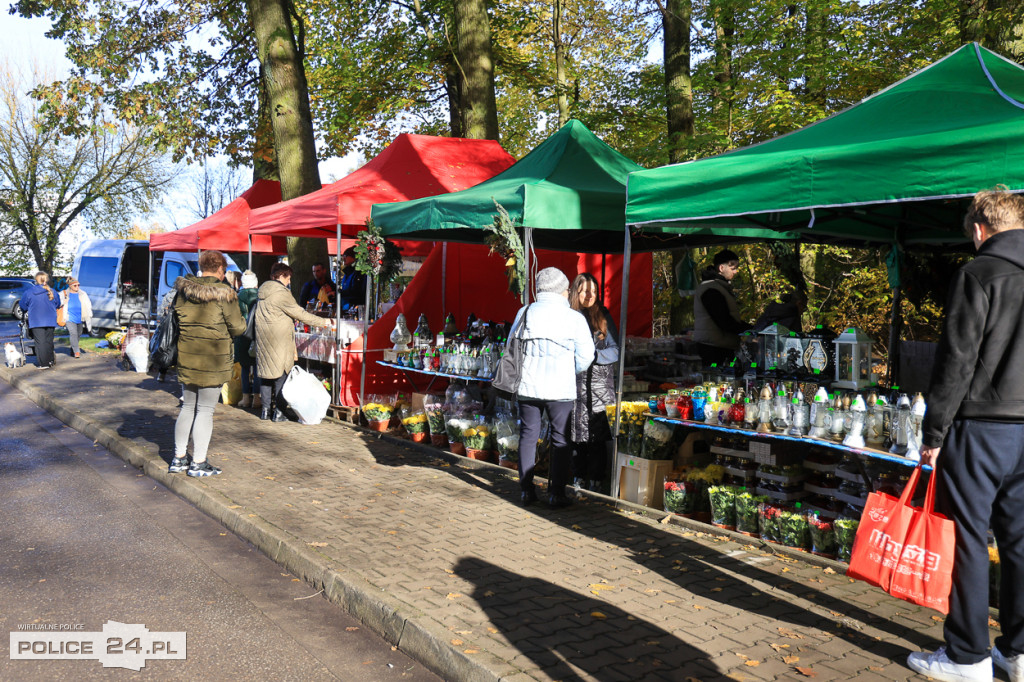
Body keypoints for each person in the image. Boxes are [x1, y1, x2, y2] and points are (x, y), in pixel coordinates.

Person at [908, 189, 1024, 682]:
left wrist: (933, 430)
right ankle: (1019, 652)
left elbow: (955, 360)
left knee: (969, 538)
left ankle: (967, 657)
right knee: (1021, 540)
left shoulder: (978, 273)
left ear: (979, 229)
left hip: (981, 426)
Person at [511, 267, 595, 508]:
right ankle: (556, 494)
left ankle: (526, 491)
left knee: (528, 436)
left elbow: (511, 347)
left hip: (528, 386)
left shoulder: (525, 312)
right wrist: (571, 369)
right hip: (561, 389)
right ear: (563, 290)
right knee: (561, 439)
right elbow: (587, 356)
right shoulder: (574, 318)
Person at [169, 250, 246, 477]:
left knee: (187, 407)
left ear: (201, 267)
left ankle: (179, 458)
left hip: (187, 356)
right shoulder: (225, 294)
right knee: (204, 410)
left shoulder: (183, 292)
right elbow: (238, 327)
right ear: (221, 269)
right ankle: (199, 463)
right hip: (213, 358)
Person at [254, 262, 331, 422]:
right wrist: (324, 323)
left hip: (263, 338)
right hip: (279, 339)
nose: (289, 282)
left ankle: (265, 411)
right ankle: (279, 412)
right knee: (282, 376)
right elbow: (300, 313)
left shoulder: (262, 291)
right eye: (288, 278)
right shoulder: (281, 293)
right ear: (281, 276)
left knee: (266, 376)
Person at [568, 272, 619, 493]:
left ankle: (597, 480)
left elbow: (616, 350)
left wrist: (594, 357)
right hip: (574, 384)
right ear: (575, 292)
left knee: (598, 436)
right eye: (585, 291)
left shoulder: (603, 314)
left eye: (594, 291)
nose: (590, 295)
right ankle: (577, 476)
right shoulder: (568, 316)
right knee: (576, 435)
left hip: (599, 385)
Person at [693, 249, 751, 367]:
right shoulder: (711, 289)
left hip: (718, 345)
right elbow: (724, 320)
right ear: (721, 268)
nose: (736, 271)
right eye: (733, 268)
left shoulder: (719, 287)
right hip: (714, 349)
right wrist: (750, 330)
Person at [20, 272, 59, 369]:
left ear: (36, 280)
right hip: (50, 319)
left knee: (40, 342)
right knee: (49, 341)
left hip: (37, 320)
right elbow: (58, 304)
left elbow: (23, 305)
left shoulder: (29, 292)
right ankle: (50, 360)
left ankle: (44, 363)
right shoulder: (53, 291)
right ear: (47, 280)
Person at [235, 270, 260, 409]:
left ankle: (245, 398)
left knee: (245, 368)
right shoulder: (260, 296)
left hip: (242, 334)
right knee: (257, 367)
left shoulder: (238, 297)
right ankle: (257, 398)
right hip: (257, 334)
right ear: (256, 282)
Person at [59, 277, 93, 358]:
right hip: (69, 318)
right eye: (75, 285)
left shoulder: (83, 294)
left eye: (78, 285)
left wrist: (89, 314)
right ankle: (77, 352)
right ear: (70, 286)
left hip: (80, 318)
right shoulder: (63, 294)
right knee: (73, 333)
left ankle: (73, 349)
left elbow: (88, 305)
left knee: (78, 334)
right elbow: (57, 304)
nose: (77, 287)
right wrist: (64, 302)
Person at [336, 247, 367, 312]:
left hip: (356, 309)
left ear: (354, 257)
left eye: (346, 256)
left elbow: (356, 291)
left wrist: (339, 292)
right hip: (346, 307)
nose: (343, 258)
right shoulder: (347, 272)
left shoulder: (359, 272)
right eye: (343, 256)